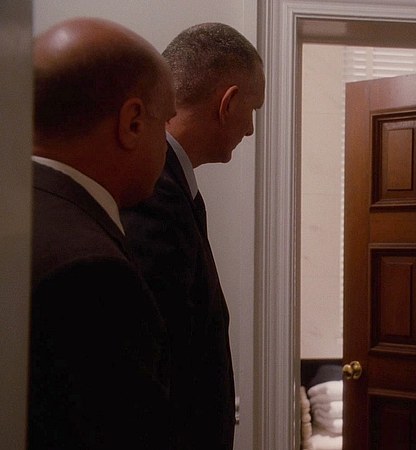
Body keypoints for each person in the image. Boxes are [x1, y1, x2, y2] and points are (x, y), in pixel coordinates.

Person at [29, 17, 176, 449]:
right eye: (165, 124)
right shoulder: (91, 272)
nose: (166, 145)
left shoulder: (22, 214)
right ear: (132, 122)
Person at [121, 22, 265, 450]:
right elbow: (154, 360)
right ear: (228, 102)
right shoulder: (153, 192)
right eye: (253, 109)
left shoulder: (169, 183)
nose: (251, 129)